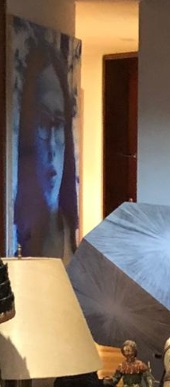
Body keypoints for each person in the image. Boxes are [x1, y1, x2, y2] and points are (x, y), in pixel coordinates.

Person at [13, 39, 79, 263]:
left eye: (58, 124)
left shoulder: (67, 229)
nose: (51, 146)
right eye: (42, 122)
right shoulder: (16, 233)